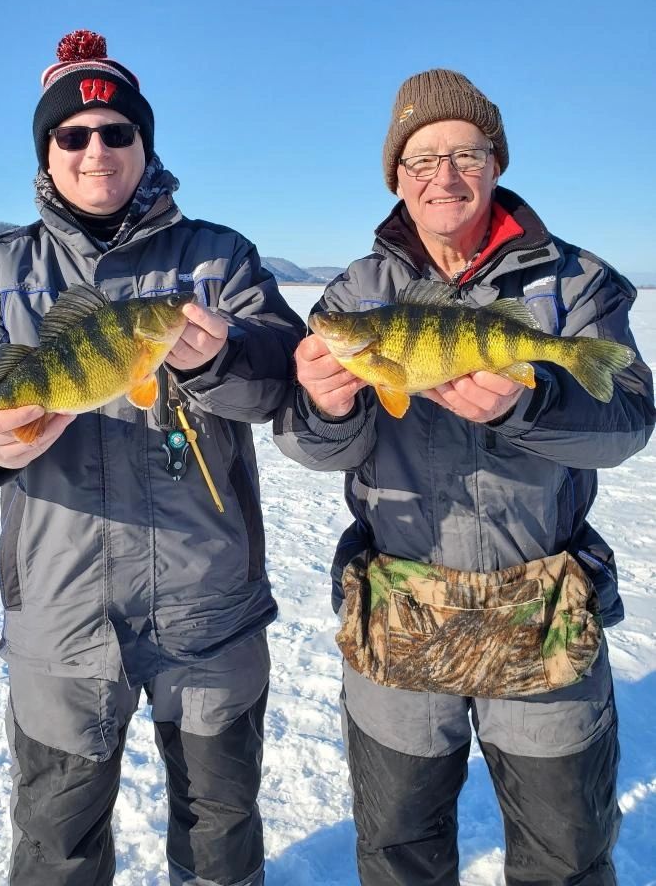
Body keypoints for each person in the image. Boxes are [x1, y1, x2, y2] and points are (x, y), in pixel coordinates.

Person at [0, 29, 305, 886]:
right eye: (73, 134)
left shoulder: (218, 259)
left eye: (118, 131)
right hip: (61, 619)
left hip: (210, 612)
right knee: (56, 847)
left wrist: (221, 357)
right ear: (48, 151)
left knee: (221, 835)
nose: (97, 149)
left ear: (145, 145)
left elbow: (286, 379)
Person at [274, 68, 655, 885]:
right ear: (397, 178)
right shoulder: (356, 296)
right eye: (421, 160)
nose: (444, 177)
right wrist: (330, 409)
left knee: (566, 856)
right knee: (401, 852)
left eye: (467, 153)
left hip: (543, 612)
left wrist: (531, 403)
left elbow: (627, 422)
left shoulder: (577, 285)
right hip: (401, 614)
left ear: (497, 162)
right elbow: (309, 445)